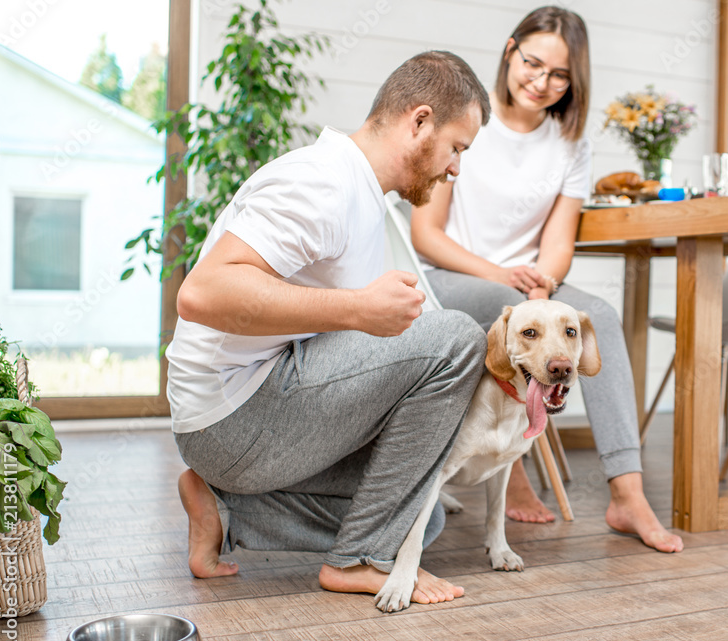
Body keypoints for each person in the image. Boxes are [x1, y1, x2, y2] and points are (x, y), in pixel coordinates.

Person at [167, 51, 493, 606]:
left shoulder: (362, 193)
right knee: (458, 338)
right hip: (235, 416)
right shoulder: (323, 183)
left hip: (247, 422)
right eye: (456, 147)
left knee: (422, 516)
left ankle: (222, 506)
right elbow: (202, 293)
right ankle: (358, 559)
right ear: (419, 122)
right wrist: (357, 309)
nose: (456, 168)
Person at [411, 8, 683, 552]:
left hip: (533, 284)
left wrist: (543, 285)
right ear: (510, 51)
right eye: (532, 63)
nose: (542, 81)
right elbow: (426, 234)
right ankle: (510, 464)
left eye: (559, 75)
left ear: (573, 81)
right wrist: (503, 276)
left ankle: (627, 495)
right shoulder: (468, 123)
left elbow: (559, 243)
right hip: (457, 276)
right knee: (509, 311)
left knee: (597, 318)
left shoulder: (570, 144)